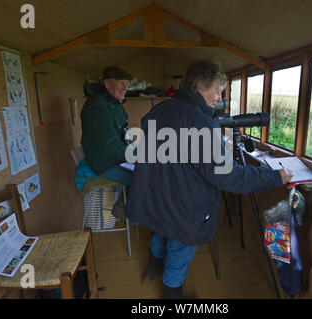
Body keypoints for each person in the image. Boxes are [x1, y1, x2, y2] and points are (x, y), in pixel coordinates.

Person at [125, 61, 293, 299]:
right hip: (184, 204)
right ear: (199, 87)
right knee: (179, 250)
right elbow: (230, 177)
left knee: (161, 229)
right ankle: (172, 297)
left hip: (157, 195)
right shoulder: (202, 124)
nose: (219, 98)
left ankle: (153, 265)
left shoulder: (159, 110)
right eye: (217, 91)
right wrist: (274, 176)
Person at [80, 66, 134, 186]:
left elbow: (126, 134)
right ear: (107, 83)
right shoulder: (97, 107)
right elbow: (110, 146)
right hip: (105, 164)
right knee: (146, 179)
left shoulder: (117, 105)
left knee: (151, 172)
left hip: (119, 160)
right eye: (121, 83)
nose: (126, 88)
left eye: (127, 84)